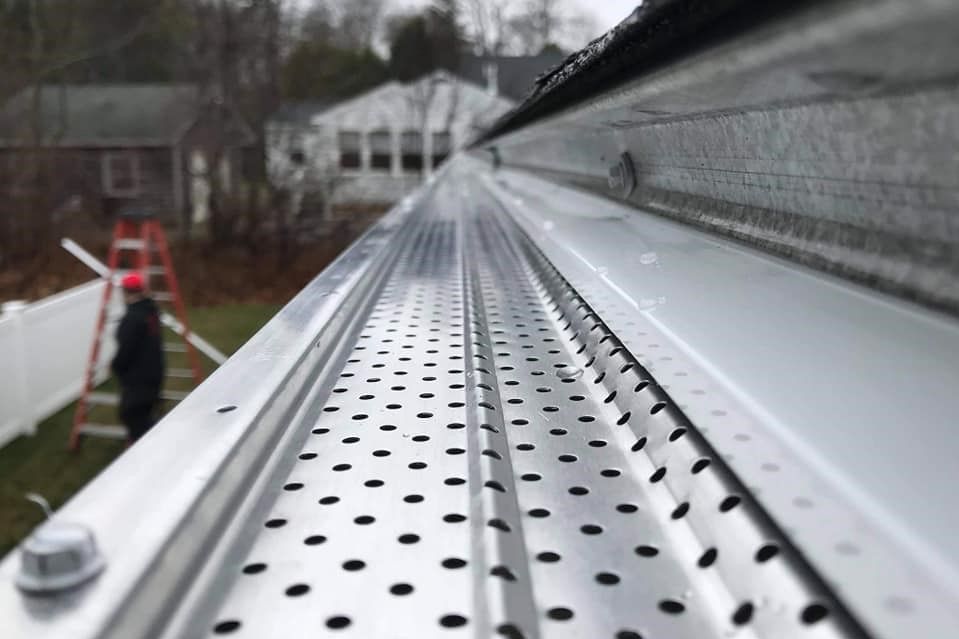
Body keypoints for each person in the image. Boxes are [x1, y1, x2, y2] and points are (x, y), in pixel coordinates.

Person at [111, 272, 165, 441]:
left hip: (138, 380)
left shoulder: (132, 318)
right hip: (154, 373)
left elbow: (126, 351)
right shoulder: (151, 311)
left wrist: (115, 366)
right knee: (144, 413)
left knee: (134, 418)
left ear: (125, 292)